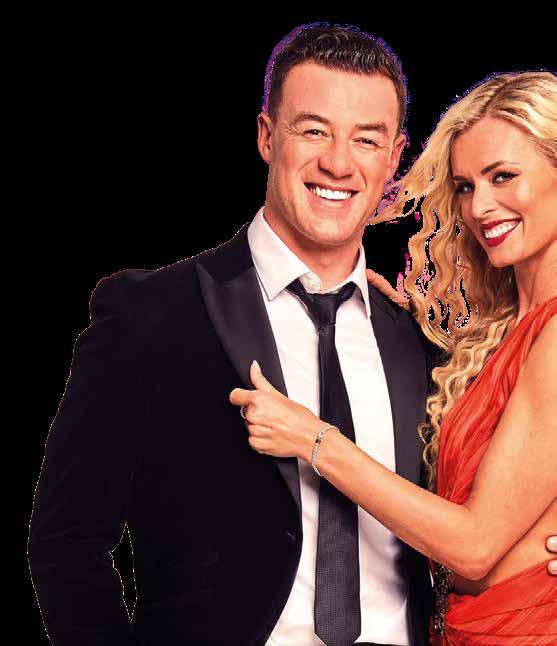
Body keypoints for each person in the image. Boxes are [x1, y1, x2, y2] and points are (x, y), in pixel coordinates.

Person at [27, 25, 556, 645]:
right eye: (314, 131)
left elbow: (481, 514)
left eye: (366, 139)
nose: (338, 163)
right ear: (266, 135)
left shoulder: (422, 343)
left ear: (394, 158)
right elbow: (67, 543)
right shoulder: (151, 315)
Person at [230, 70, 557, 644]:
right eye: (464, 186)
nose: (481, 206)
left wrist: (315, 439)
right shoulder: (494, 336)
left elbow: (474, 546)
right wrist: (396, 318)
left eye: (503, 176)